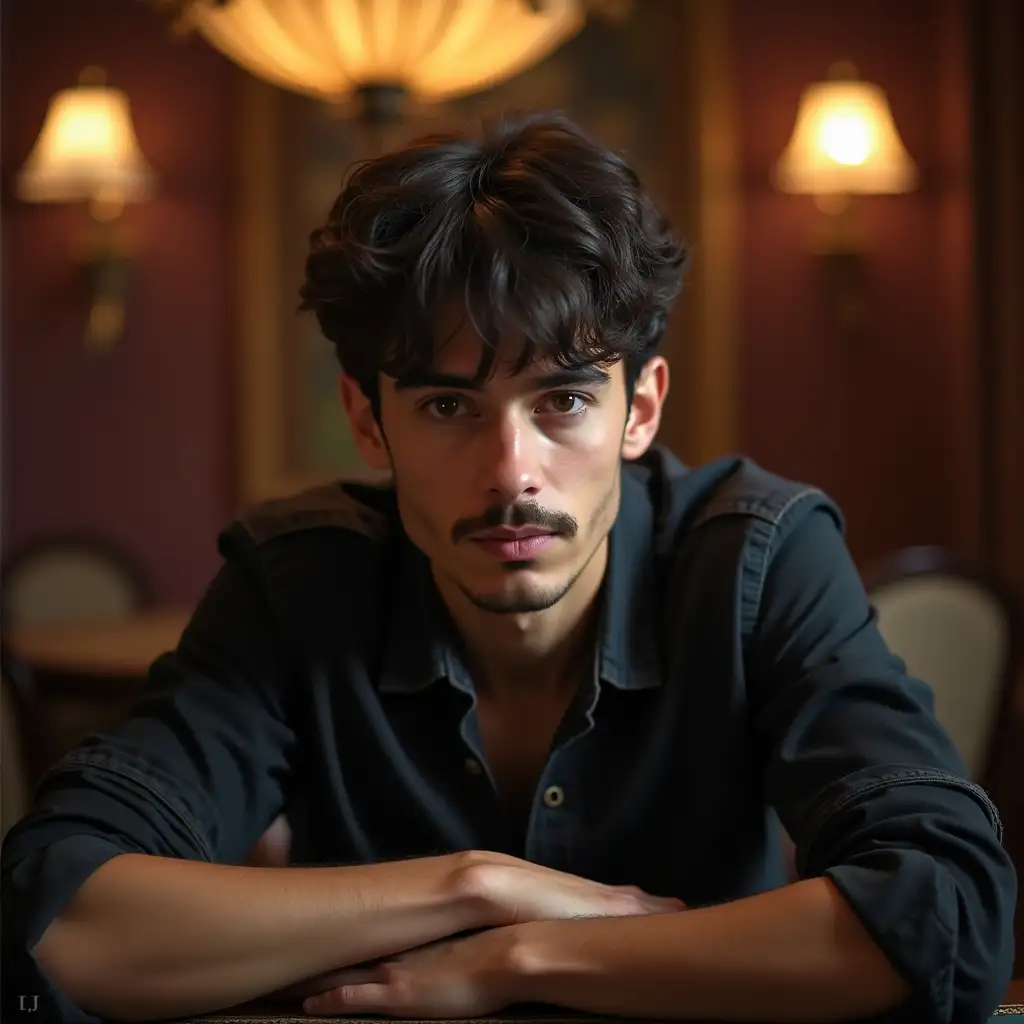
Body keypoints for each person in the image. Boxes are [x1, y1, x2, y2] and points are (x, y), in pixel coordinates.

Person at [1, 112, 1015, 1024]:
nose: (510, 473)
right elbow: (58, 911)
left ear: (642, 407)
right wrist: (477, 887)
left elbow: (949, 914)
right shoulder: (297, 581)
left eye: (563, 401)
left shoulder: (756, 557)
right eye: (448, 407)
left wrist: (524, 957)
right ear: (369, 419)